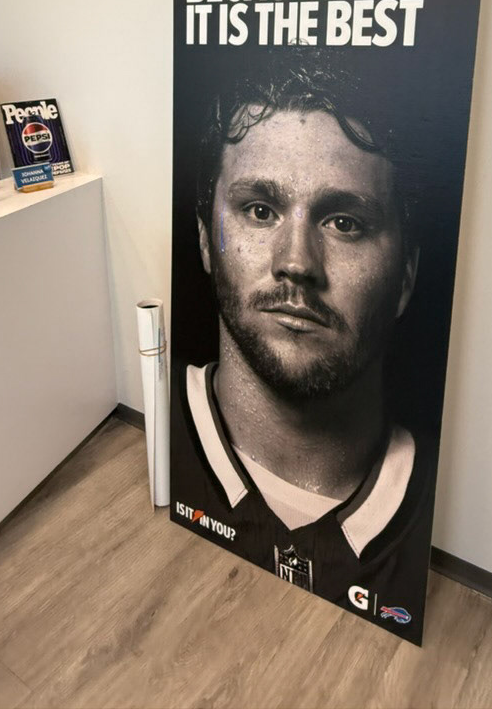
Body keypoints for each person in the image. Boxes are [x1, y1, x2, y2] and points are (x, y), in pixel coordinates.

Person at [172, 51, 436, 641]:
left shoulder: (435, 508)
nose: (296, 262)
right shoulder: (161, 430)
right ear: (206, 240)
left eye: (344, 222)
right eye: (259, 210)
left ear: (406, 277)